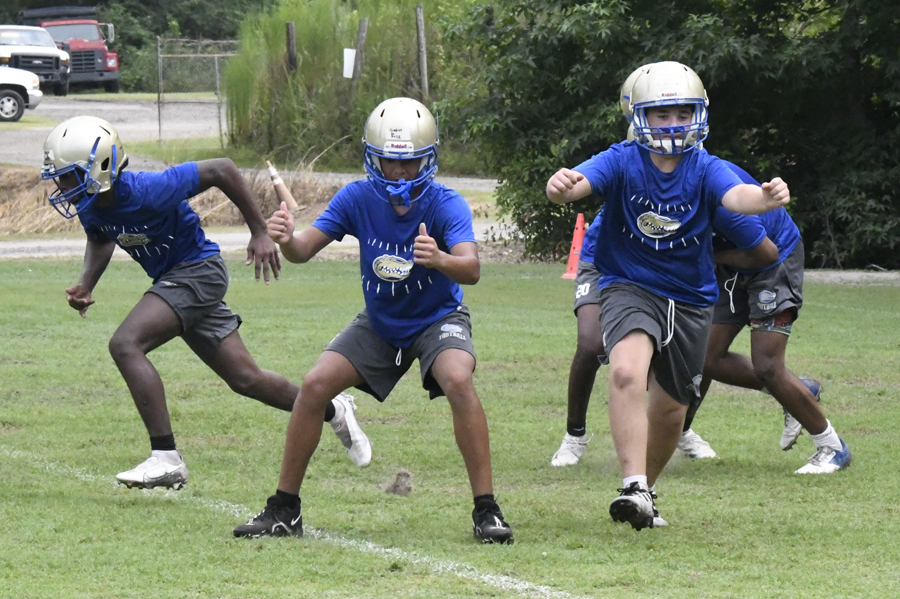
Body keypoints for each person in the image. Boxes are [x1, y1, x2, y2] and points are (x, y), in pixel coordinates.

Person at [233, 97, 513, 544]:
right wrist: (284, 239)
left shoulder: (446, 204)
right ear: (372, 159)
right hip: (381, 320)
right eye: (389, 162)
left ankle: (487, 511)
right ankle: (284, 509)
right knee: (315, 384)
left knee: (458, 379)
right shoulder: (358, 197)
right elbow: (304, 250)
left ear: (429, 160)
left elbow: (472, 269)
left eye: (409, 163)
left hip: (437, 318)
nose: (399, 173)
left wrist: (439, 258)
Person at [40, 116, 372, 490]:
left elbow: (222, 169)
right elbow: (102, 237)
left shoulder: (152, 189)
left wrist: (260, 230)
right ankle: (334, 409)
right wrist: (86, 283)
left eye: (66, 175)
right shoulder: (91, 205)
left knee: (125, 344)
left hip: (199, 271)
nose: (59, 185)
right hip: (176, 281)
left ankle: (165, 458)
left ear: (98, 167)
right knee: (246, 379)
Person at [545, 61, 793, 531]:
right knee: (624, 371)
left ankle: (645, 496)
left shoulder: (705, 166)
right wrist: (561, 188)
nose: (674, 124)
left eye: (682, 113)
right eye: (662, 115)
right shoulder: (621, 158)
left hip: (691, 297)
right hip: (629, 285)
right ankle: (633, 483)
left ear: (698, 114)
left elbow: (735, 197)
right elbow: (579, 184)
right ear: (638, 117)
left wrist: (764, 198)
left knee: (672, 408)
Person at [682, 161, 851, 473]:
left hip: (774, 261)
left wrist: (711, 256)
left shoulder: (716, 197)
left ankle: (832, 447)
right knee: (705, 357)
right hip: (735, 266)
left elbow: (766, 252)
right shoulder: (665, 183)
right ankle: (800, 389)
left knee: (768, 365)